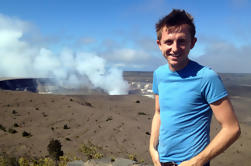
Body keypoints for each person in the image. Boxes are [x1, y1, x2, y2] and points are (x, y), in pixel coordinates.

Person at [149, 9, 241, 166]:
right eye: (169, 42)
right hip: (162, 161)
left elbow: (232, 129)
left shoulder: (207, 77)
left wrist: (196, 162)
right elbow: (159, 113)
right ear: (159, 44)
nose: (175, 48)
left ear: (193, 42)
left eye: (182, 41)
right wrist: (152, 148)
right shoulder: (159, 74)